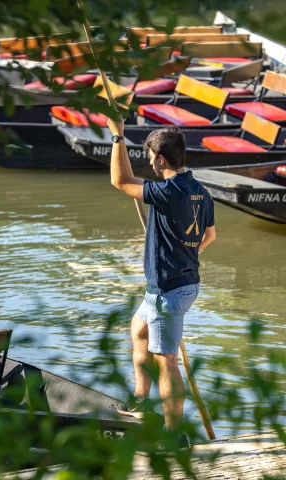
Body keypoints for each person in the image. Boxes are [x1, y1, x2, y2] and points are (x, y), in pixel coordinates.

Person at [107, 118, 216, 440]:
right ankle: (142, 401)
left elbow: (121, 180)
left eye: (150, 157)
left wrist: (118, 135)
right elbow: (210, 236)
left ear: (160, 159)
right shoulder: (198, 190)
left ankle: (175, 433)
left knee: (167, 360)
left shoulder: (167, 191)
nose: (150, 162)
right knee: (139, 330)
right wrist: (184, 253)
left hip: (169, 290)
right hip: (176, 283)